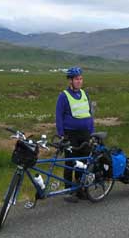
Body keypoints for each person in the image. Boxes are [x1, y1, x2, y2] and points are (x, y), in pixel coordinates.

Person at [55, 67, 94, 203]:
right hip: (70, 134)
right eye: (77, 79)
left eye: (81, 78)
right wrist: (61, 134)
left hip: (85, 134)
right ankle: (68, 191)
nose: (79, 81)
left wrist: (91, 131)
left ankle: (79, 189)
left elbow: (89, 113)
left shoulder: (85, 94)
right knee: (70, 162)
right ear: (70, 81)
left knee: (82, 162)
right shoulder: (63, 96)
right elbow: (59, 116)